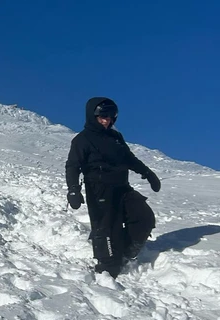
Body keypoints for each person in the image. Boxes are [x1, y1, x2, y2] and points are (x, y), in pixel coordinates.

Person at [65, 97, 160, 278]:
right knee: (108, 241)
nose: (107, 120)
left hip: (122, 188)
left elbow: (129, 159)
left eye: (110, 117)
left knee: (144, 217)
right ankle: (106, 268)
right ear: (93, 116)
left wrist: (147, 173)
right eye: (102, 116)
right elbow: (72, 166)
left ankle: (125, 252)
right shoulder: (82, 140)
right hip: (99, 192)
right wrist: (73, 189)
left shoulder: (116, 138)